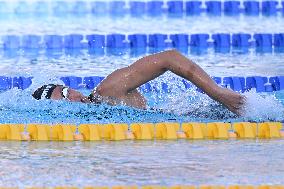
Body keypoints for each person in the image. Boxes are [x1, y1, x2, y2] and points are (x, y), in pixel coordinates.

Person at [32, 50, 245, 115]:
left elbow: (168, 58)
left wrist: (216, 92)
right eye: (64, 100)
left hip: (210, 114)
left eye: (67, 92)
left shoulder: (107, 91)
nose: (73, 98)